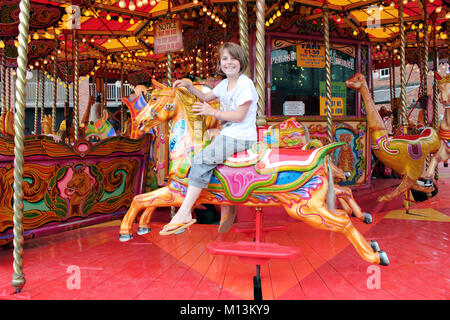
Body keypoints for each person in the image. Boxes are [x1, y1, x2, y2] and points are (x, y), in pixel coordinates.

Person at [160, 42, 258, 235]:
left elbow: (239, 116)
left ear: (241, 61)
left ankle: (185, 212)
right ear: (220, 63)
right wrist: (189, 86)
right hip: (227, 135)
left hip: (241, 136)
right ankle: (229, 201)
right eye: (225, 59)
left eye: (233, 58)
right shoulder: (224, 84)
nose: (229, 62)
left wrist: (212, 112)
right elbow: (205, 97)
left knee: (201, 160)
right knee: (206, 155)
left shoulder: (245, 85)